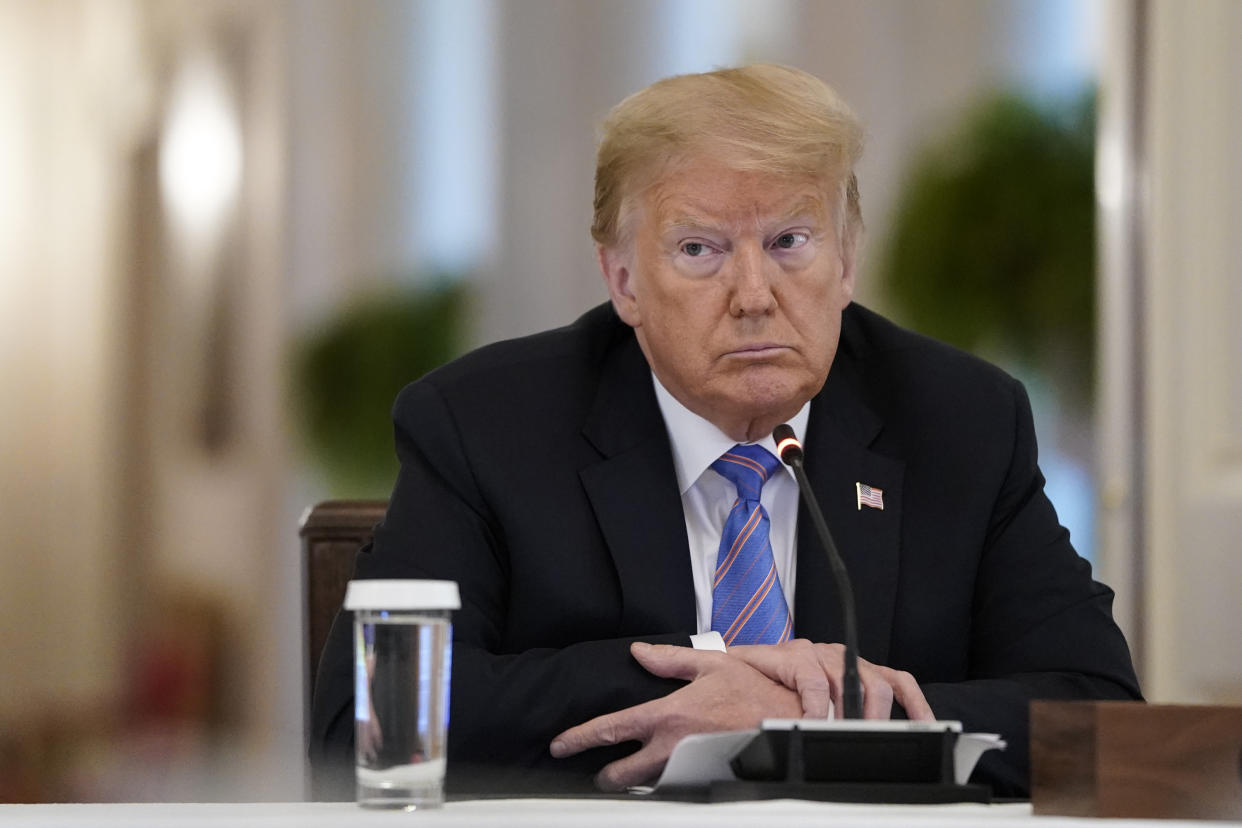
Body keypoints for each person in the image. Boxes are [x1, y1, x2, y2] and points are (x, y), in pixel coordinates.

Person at [310, 64, 1140, 798]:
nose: (753, 293)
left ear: (846, 260)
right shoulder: (486, 424)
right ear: (623, 278)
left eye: (790, 241)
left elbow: (1105, 725)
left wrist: (819, 712)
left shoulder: (961, 422)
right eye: (701, 249)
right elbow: (366, 718)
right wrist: (711, 685)